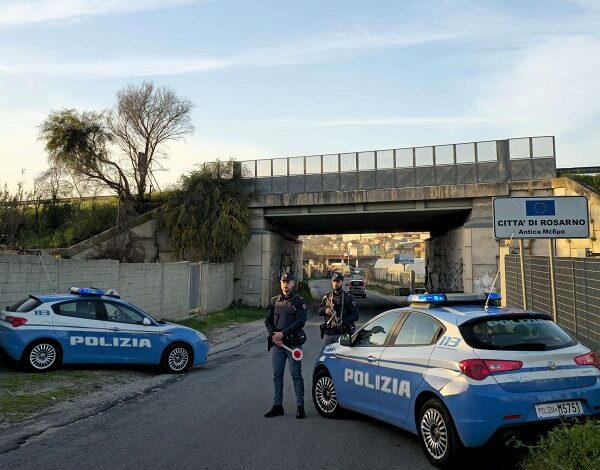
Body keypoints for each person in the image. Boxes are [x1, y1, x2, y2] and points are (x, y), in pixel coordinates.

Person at [264, 272, 308, 419]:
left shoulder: (298, 301)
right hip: (278, 345)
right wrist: (274, 336)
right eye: (283, 281)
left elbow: (300, 322)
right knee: (277, 375)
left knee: (296, 375)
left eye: (288, 281)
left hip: (292, 345)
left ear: (293, 283)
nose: (285, 284)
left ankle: (300, 407)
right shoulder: (274, 301)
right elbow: (268, 321)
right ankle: (278, 406)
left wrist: (282, 334)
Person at [318, 272, 359, 345]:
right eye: (334, 281)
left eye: (338, 281)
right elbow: (319, 311)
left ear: (342, 282)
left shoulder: (347, 298)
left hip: (341, 334)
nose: (335, 283)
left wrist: (341, 321)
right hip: (328, 334)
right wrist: (325, 310)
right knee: (328, 355)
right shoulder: (327, 296)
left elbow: (355, 315)